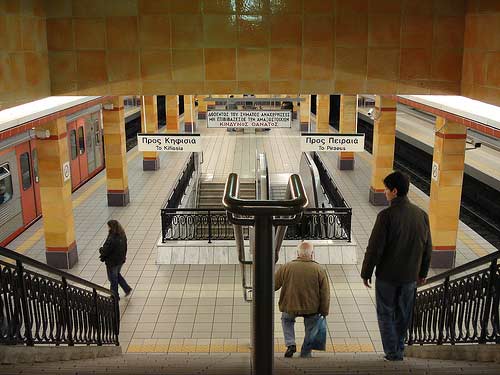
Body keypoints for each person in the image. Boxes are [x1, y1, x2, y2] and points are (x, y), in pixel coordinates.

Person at [361, 171, 432, 362]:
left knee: (386, 313)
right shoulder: (422, 215)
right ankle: (399, 348)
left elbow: (375, 248)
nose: (384, 192)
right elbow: (428, 248)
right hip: (410, 277)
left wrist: (366, 272)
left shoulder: (386, 216)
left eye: (386, 189)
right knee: (403, 314)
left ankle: (393, 353)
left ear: (394, 191)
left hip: (387, 278)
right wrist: (423, 273)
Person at [275, 241, 330, 358]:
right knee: (310, 328)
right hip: (312, 308)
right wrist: (324, 311)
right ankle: (305, 352)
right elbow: (325, 293)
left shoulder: (286, 267)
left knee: (287, 321)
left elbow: (273, 285)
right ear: (312, 254)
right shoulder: (319, 270)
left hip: (290, 305)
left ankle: (290, 344)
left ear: (297, 253)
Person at [100, 219, 132, 299]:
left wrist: (101, 250)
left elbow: (106, 250)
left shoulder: (112, 238)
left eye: (109, 227)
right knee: (116, 275)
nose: (108, 228)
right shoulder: (122, 235)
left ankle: (114, 296)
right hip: (120, 260)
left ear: (111, 227)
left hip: (112, 262)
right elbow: (125, 248)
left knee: (113, 279)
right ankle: (126, 288)